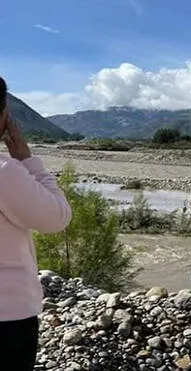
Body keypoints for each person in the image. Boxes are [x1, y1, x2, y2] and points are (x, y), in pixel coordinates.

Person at [0, 77, 73, 371]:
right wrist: (28, 162)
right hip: (7, 320)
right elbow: (56, 217)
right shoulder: (5, 173)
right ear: (4, 117)